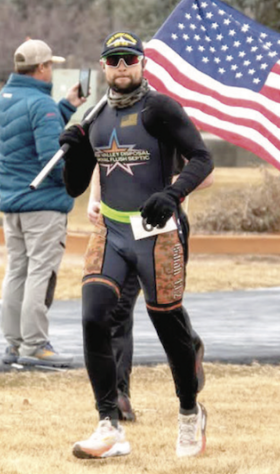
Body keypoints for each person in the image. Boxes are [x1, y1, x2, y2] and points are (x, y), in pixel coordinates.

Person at [61, 31, 213, 459]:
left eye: (130, 59)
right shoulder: (95, 115)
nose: (122, 67)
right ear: (103, 67)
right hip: (111, 231)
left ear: (143, 64)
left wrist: (172, 194)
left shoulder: (159, 108)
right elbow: (73, 186)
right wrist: (73, 152)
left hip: (156, 231)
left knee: (168, 325)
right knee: (94, 317)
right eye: (114, 60)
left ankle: (190, 414)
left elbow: (203, 159)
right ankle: (108, 425)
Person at [87, 158, 212, 422]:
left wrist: (159, 189)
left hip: (160, 225)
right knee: (117, 309)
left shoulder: (169, 130)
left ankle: (189, 344)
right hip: (119, 227)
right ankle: (119, 395)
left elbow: (205, 173)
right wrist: (94, 199)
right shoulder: (110, 129)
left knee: (165, 310)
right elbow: (103, 160)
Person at [0, 38, 85, 368]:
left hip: (13, 201)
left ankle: (14, 343)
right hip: (43, 205)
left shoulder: (5, 98)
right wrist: (79, 174)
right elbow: (53, 161)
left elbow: (29, 132)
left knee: (17, 271)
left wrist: (65, 107)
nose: (52, 72)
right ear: (42, 67)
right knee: (40, 273)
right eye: (50, 66)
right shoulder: (41, 105)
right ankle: (35, 344)